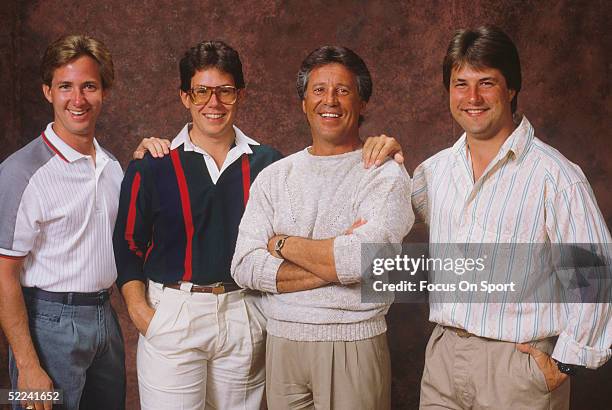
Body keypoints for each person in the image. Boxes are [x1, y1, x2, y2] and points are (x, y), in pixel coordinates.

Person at [409, 26, 612, 409]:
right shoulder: (433, 172)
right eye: (460, 83)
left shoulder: (556, 176)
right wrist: (378, 156)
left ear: (511, 89)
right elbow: (386, 218)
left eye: (486, 82)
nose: (472, 97)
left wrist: (565, 363)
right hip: (442, 362)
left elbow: (596, 275)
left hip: (518, 369)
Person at [231, 45, 414, 410]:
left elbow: (362, 261)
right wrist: (337, 263)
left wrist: (281, 243)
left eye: (343, 90)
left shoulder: (384, 174)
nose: (329, 100)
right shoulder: (274, 177)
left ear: (362, 103)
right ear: (303, 102)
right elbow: (244, 266)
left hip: (352, 344)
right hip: (281, 343)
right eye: (318, 90)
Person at [113, 40, 283, 409]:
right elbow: (128, 244)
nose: (213, 103)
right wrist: (141, 313)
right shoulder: (152, 164)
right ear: (184, 97)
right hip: (174, 311)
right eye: (201, 91)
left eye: (225, 91)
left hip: (244, 311)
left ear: (240, 95)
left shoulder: (269, 164)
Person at [0, 35, 126, 410]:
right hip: (47, 324)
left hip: (106, 318)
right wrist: (26, 364)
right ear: (47, 92)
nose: (78, 99)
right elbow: (3, 275)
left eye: (89, 86)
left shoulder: (113, 168)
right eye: (65, 87)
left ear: (104, 91)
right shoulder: (20, 173)